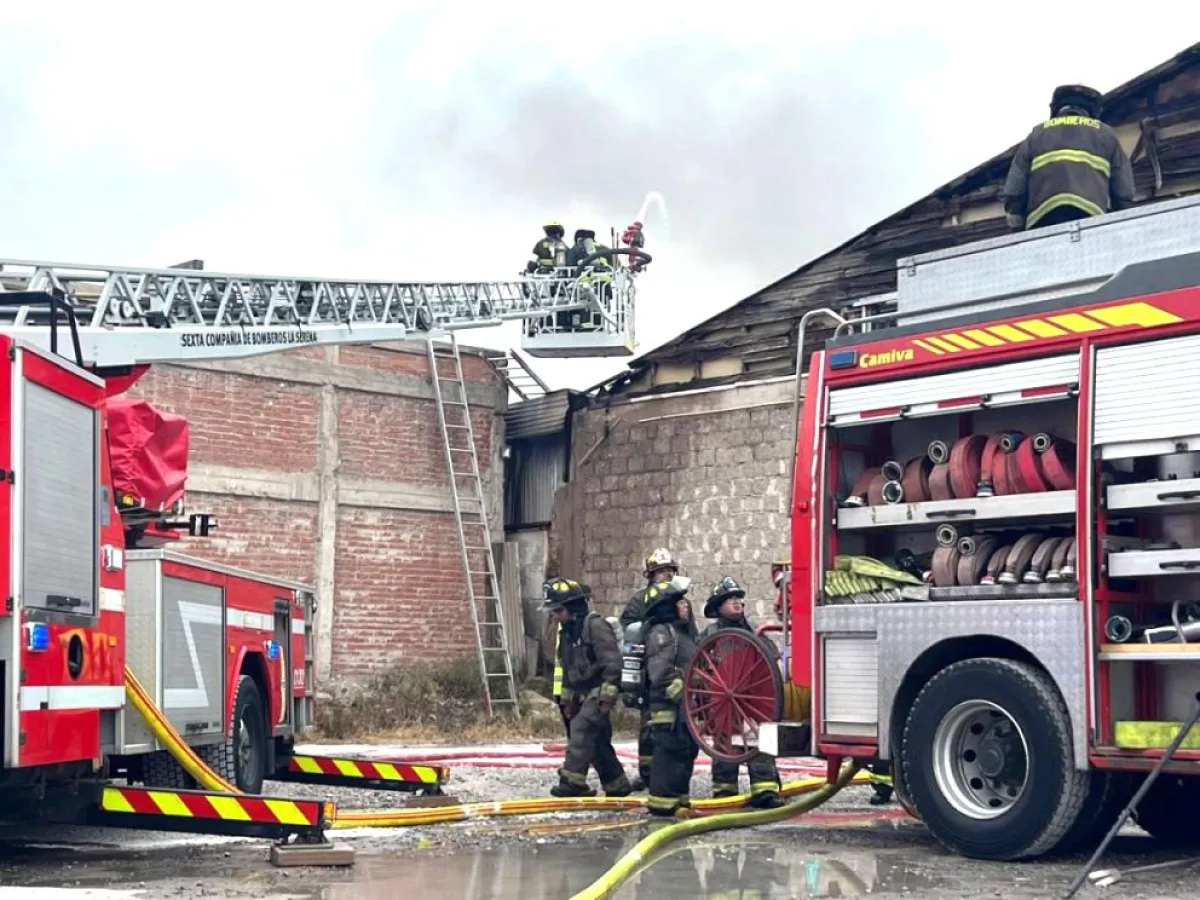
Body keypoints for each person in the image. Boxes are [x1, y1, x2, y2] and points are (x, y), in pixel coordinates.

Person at [700, 577, 785, 809]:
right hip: (723, 702)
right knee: (725, 747)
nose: (737, 603)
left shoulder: (754, 630)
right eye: (730, 599)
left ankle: (765, 790)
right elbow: (697, 670)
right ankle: (725, 791)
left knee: (761, 742)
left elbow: (771, 657)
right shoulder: (710, 634)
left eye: (739, 599)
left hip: (754, 700)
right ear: (718, 607)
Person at [543, 577, 632, 798]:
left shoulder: (596, 626)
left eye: (558, 610)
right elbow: (566, 667)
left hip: (599, 687)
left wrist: (607, 697)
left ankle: (572, 782)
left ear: (573, 607)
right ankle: (616, 784)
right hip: (580, 692)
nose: (555, 615)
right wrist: (565, 699)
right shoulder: (566, 632)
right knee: (598, 740)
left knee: (581, 729)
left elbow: (613, 664)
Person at [1001, 84, 1135, 231]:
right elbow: (1124, 191)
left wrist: (1018, 231)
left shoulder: (1038, 134)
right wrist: (1122, 226)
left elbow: (1014, 189)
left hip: (1043, 221)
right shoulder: (1105, 134)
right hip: (1090, 218)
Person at [619, 548, 681, 792]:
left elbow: (688, 635)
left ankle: (670, 773)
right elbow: (628, 630)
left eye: (669, 570)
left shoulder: (679, 600)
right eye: (661, 571)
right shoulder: (640, 600)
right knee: (648, 727)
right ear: (651, 575)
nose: (666, 575)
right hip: (647, 672)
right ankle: (646, 774)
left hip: (673, 671)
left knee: (675, 726)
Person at [643, 576, 700, 817]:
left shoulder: (684, 635)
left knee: (686, 750)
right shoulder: (662, 633)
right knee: (668, 751)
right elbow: (660, 671)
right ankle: (662, 805)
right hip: (667, 708)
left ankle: (679, 802)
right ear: (667, 607)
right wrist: (682, 696)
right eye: (679, 602)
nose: (685, 606)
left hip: (684, 708)